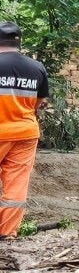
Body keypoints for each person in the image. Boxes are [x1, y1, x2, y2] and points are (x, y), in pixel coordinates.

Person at [0, 22, 49, 241]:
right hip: (25, 133)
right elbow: (39, 102)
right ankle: (8, 233)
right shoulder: (36, 67)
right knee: (16, 185)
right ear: (19, 42)